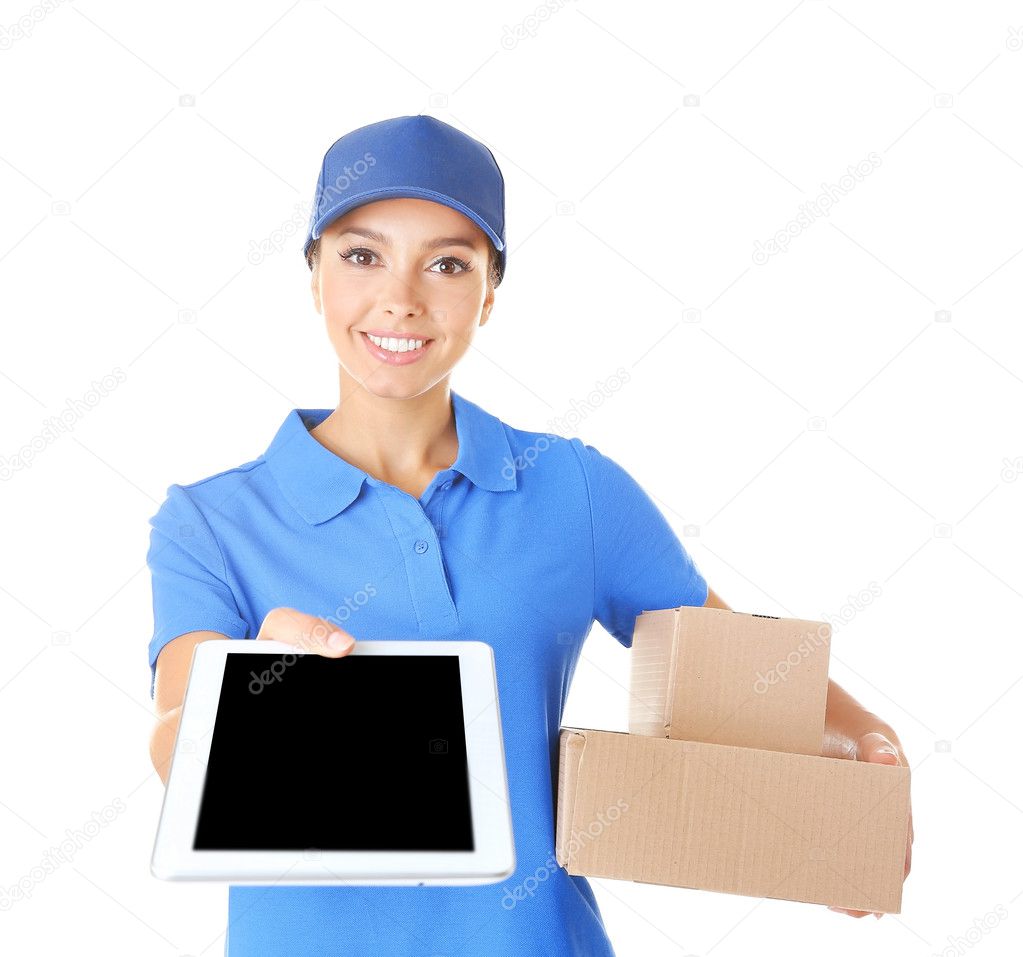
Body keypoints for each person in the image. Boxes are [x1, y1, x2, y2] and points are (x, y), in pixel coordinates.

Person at [146, 115, 912, 955]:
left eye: (447, 263)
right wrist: (256, 680)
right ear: (314, 273)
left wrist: (864, 745)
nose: (400, 296)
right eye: (361, 255)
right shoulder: (212, 520)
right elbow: (172, 733)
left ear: (490, 291)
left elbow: (737, 681)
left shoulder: (571, 490)